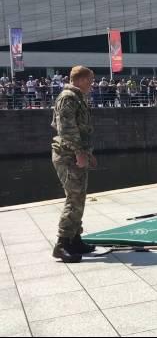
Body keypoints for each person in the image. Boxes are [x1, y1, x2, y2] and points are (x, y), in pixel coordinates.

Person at [50, 66, 97, 263]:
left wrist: (87, 153)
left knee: (79, 198)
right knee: (74, 198)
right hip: (68, 156)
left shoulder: (77, 97)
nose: (91, 85)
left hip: (75, 154)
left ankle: (74, 239)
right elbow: (67, 129)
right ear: (78, 80)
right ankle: (62, 245)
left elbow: (81, 130)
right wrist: (79, 153)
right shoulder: (68, 97)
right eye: (89, 81)